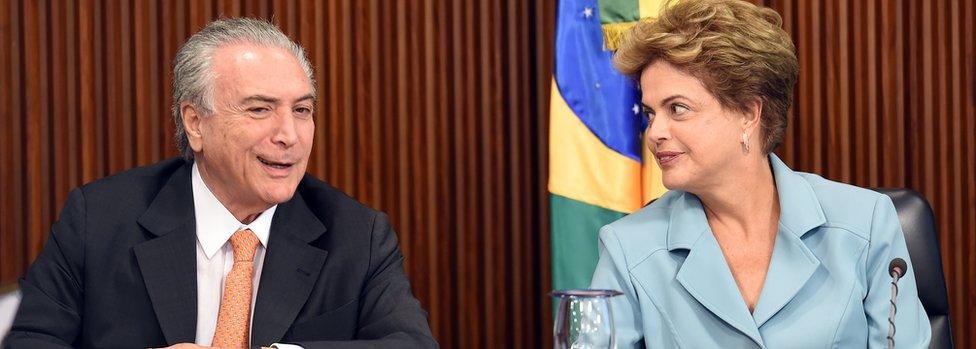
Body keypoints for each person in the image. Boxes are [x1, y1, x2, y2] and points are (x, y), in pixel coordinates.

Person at [3, 18, 437, 349]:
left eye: (302, 110)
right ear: (195, 123)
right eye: (259, 109)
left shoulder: (358, 235)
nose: (289, 134)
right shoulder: (97, 219)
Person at [588, 0, 931, 347]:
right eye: (650, 113)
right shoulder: (628, 248)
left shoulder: (866, 224)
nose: (655, 132)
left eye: (677, 108)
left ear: (749, 114)